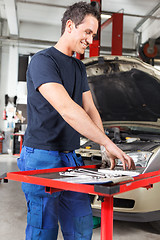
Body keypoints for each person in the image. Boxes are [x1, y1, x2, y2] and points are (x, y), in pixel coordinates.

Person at [17, 1, 135, 240]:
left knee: (81, 229)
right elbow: (67, 108)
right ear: (70, 25)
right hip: (41, 156)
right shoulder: (42, 61)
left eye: (93, 34)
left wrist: (104, 145)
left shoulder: (79, 67)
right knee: (44, 232)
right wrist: (109, 142)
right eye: (88, 32)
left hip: (71, 157)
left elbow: (90, 108)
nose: (90, 40)